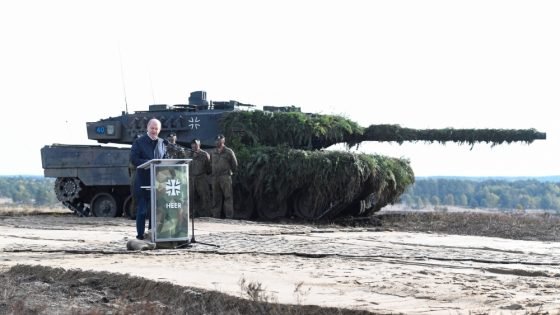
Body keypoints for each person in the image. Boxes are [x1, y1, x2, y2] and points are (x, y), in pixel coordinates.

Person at [130, 118, 168, 240]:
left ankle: (152, 234)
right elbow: (134, 159)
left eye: (156, 129)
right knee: (142, 211)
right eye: (152, 128)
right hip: (143, 182)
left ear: (159, 130)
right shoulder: (139, 142)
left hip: (157, 182)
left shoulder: (162, 143)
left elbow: (165, 159)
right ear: (147, 128)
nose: (154, 131)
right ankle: (140, 236)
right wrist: (149, 162)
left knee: (155, 211)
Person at [210, 134, 238, 219]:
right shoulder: (213, 152)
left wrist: (229, 172)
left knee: (228, 196)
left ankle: (229, 216)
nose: (217, 142)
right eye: (216, 140)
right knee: (216, 197)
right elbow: (211, 163)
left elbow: (235, 164)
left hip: (225, 177)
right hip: (215, 177)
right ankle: (216, 216)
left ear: (223, 141)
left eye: (219, 140)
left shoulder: (229, 151)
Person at [186, 139, 212, 217]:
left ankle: (206, 214)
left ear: (199, 145)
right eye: (193, 145)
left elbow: (209, 168)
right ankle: (192, 213)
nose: (194, 146)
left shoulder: (204, 155)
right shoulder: (189, 154)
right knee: (191, 197)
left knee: (204, 196)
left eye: (196, 145)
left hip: (201, 178)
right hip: (191, 178)